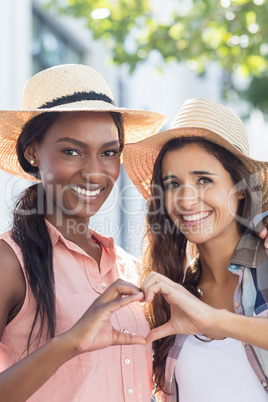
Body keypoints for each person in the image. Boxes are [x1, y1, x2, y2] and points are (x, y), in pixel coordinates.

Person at [0, 63, 168, 401]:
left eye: (109, 153)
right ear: (33, 152)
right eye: (72, 151)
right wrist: (69, 343)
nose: (95, 172)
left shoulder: (129, 270)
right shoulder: (9, 262)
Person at [123, 98, 268, 401]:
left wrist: (211, 320)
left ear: (240, 190)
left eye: (204, 180)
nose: (186, 201)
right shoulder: (174, 290)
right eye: (173, 184)